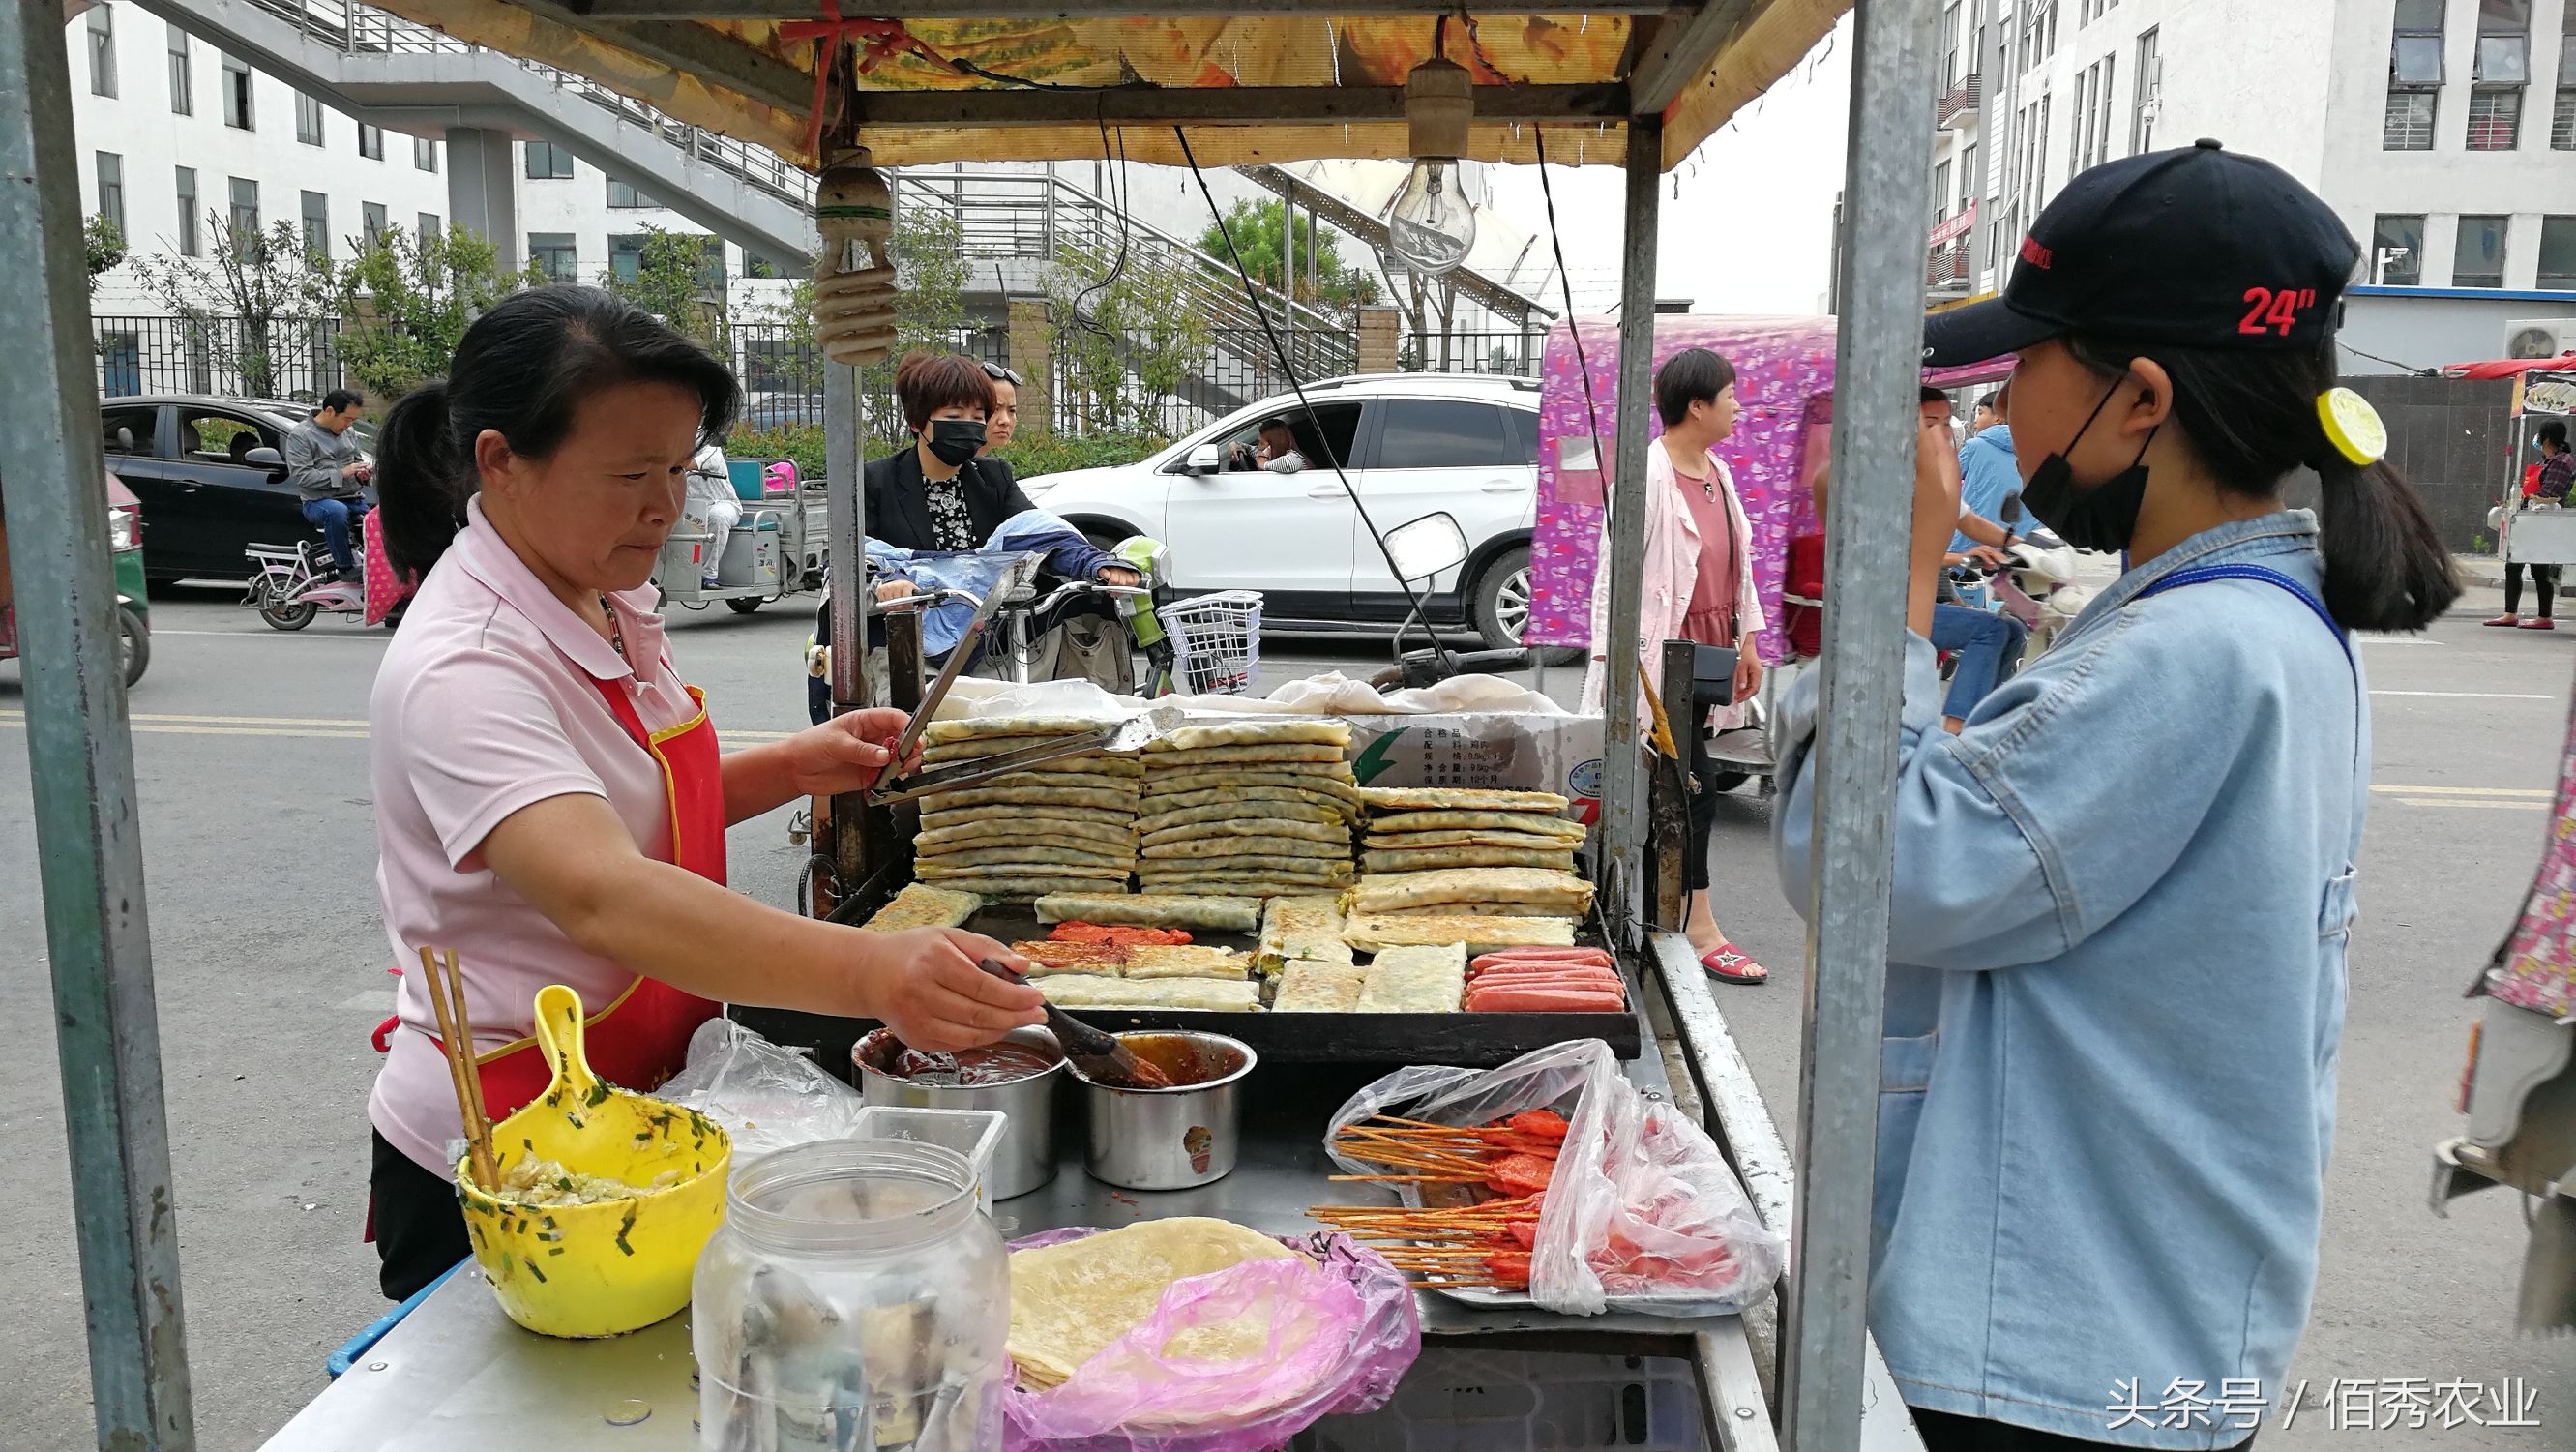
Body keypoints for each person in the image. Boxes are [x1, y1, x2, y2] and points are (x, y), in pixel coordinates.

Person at [1774, 142, 2456, 1450]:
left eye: (2023, 365)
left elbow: (1865, 872)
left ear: (2137, 398)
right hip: (2124, 1321)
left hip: (2060, 1360)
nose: (1998, 408)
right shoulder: (2250, 623)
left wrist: (1889, 576)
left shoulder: (2188, 655)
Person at [365, 288, 1045, 1301]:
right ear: (501, 462)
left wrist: (795, 764)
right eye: (631, 474)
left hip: (646, 1112)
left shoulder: (601, 593)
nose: (666, 505)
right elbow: (602, 891)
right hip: (512, 1153)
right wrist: (872, 972)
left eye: (680, 467)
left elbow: (622, 804)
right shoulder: (465, 664)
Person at [1580, 347, 1769, 986]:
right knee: (1687, 790)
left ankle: (1652, 913)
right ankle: (1695, 925)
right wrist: (1614, 667)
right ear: (1697, 404)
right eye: (1730, 394)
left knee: (1675, 786)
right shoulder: (1647, 474)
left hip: (1707, 655)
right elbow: (1615, 578)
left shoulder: (1717, 470)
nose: (1737, 405)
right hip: (1659, 663)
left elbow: (1735, 567)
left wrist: (1748, 641)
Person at [1921, 387, 2031, 730]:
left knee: (2013, 629)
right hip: (1891, 610)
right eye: (1929, 423)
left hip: (1930, 597)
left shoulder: (1936, 477)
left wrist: (2024, 545)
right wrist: (1960, 556)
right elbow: (1899, 555)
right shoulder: (1893, 480)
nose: (1941, 431)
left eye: (1944, 422)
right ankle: (1956, 730)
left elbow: (1967, 520)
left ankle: (1987, 725)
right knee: (1989, 630)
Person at [2488, 418, 2573, 631]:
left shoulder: (2561, 462)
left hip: (2542, 521)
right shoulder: (2549, 460)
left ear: (2545, 439)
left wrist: (2526, 500)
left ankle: (2542, 617)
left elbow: (2550, 494)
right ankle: (2514, 614)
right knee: (2517, 566)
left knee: (2536, 569)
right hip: (2533, 520)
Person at [286, 389, 374, 578]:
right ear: (329, 411)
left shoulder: (348, 432)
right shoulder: (301, 436)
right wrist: (342, 473)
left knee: (379, 520)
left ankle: (379, 569)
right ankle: (345, 567)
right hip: (318, 501)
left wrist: (363, 474)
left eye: (353, 420)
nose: (349, 425)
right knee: (336, 511)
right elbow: (302, 477)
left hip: (353, 497)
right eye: (346, 419)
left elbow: (356, 463)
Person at [1954, 381, 2020, 551]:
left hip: (1971, 543)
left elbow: (1946, 484)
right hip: (2019, 543)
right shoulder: (2027, 449)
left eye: (1980, 413)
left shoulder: (1973, 447)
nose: (1975, 420)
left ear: (1998, 417)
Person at [685, 439, 741, 592]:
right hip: (693, 508)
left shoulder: (712, 452)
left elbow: (689, 465)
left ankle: (708, 575)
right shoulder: (678, 453)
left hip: (722, 503)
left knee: (718, 517)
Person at [1228, 417, 1308, 474]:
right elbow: (1249, 449)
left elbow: (1291, 463)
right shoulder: (1267, 454)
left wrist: (1264, 465)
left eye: (1261, 443)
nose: (1258, 447)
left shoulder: (1293, 456)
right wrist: (1235, 444)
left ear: (1273, 446)